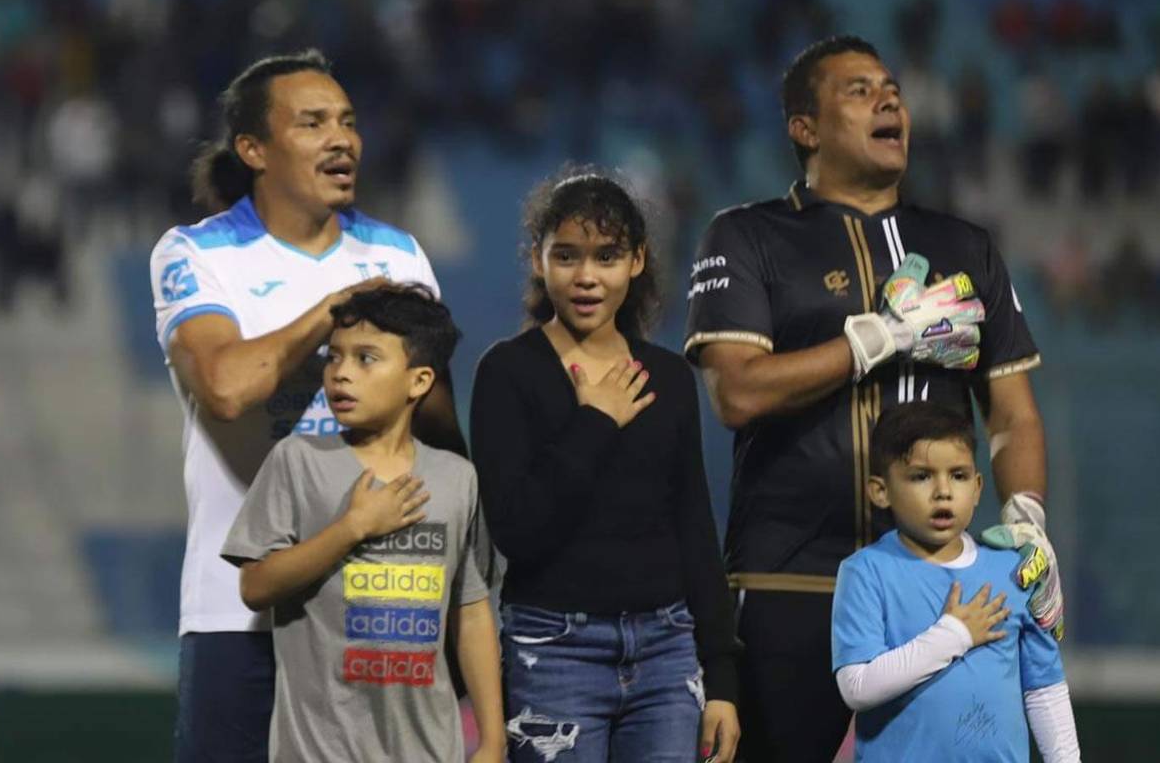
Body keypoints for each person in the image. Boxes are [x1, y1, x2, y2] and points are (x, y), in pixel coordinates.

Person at [684, 35, 1062, 761]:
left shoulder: (967, 247)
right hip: (788, 582)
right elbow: (735, 392)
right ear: (806, 128)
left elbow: (1012, 410)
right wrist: (874, 339)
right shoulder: (747, 237)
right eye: (859, 90)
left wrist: (1028, 522)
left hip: (939, 584)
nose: (889, 99)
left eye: (892, 88)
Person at [149, 49, 464, 762]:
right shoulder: (198, 254)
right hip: (239, 611)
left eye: (348, 122)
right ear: (254, 149)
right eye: (314, 122)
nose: (342, 139)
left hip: (382, 602)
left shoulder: (400, 254)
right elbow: (227, 389)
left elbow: (439, 427)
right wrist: (334, 313)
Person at [471, 169, 741, 763]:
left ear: (638, 260)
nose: (586, 276)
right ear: (539, 262)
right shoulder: (507, 374)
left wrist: (720, 677)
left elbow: (694, 528)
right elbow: (517, 529)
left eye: (607, 255)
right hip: (553, 652)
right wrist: (594, 422)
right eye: (566, 255)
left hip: (668, 654)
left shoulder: (668, 378)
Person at [221, 285, 504, 762]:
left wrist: (493, 741)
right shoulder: (298, 460)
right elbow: (256, 585)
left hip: (429, 750)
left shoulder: (457, 478)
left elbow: (471, 612)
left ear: (419, 381)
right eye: (334, 358)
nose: (341, 374)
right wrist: (350, 529)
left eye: (366, 358)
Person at [832, 401, 1080, 762]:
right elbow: (857, 687)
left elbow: (1045, 688)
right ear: (880, 491)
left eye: (959, 475)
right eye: (921, 476)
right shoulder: (866, 572)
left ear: (978, 488)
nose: (943, 491)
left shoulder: (1014, 569)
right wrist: (954, 635)